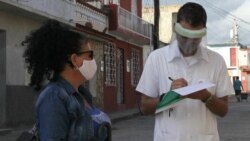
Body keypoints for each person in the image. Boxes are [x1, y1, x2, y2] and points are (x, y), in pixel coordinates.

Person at [136, 2, 234, 141]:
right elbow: (145, 107)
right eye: (184, 37)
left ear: (203, 33)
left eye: (195, 39)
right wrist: (170, 97)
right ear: (176, 30)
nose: (189, 42)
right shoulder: (157, 58)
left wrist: (206, 97)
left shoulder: (216, 61)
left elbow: (223, 110)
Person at [22, 20, 110, 141]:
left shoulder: (83, 93)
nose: (93, 61)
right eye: (90, 56)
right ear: (74, 59)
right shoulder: (53, 97)